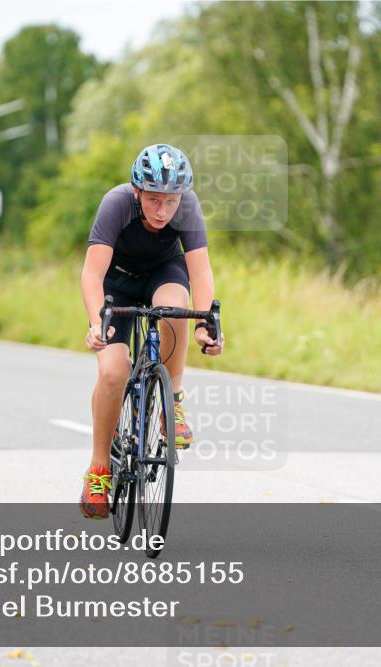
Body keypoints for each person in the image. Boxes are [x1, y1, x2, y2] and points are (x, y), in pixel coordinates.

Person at [78, 144, 224, 519]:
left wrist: (205, 325)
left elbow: (200, 273)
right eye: (154, 200)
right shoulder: (116, 204)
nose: (162, 211)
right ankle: (99, 469)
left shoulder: (188, 207)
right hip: (117, 284)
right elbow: (92, 273)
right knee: (114, 371)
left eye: (171, 202)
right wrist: (96, 322)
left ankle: (171, 401)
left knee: (175, 308)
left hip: (163, 273)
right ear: (137, 192)